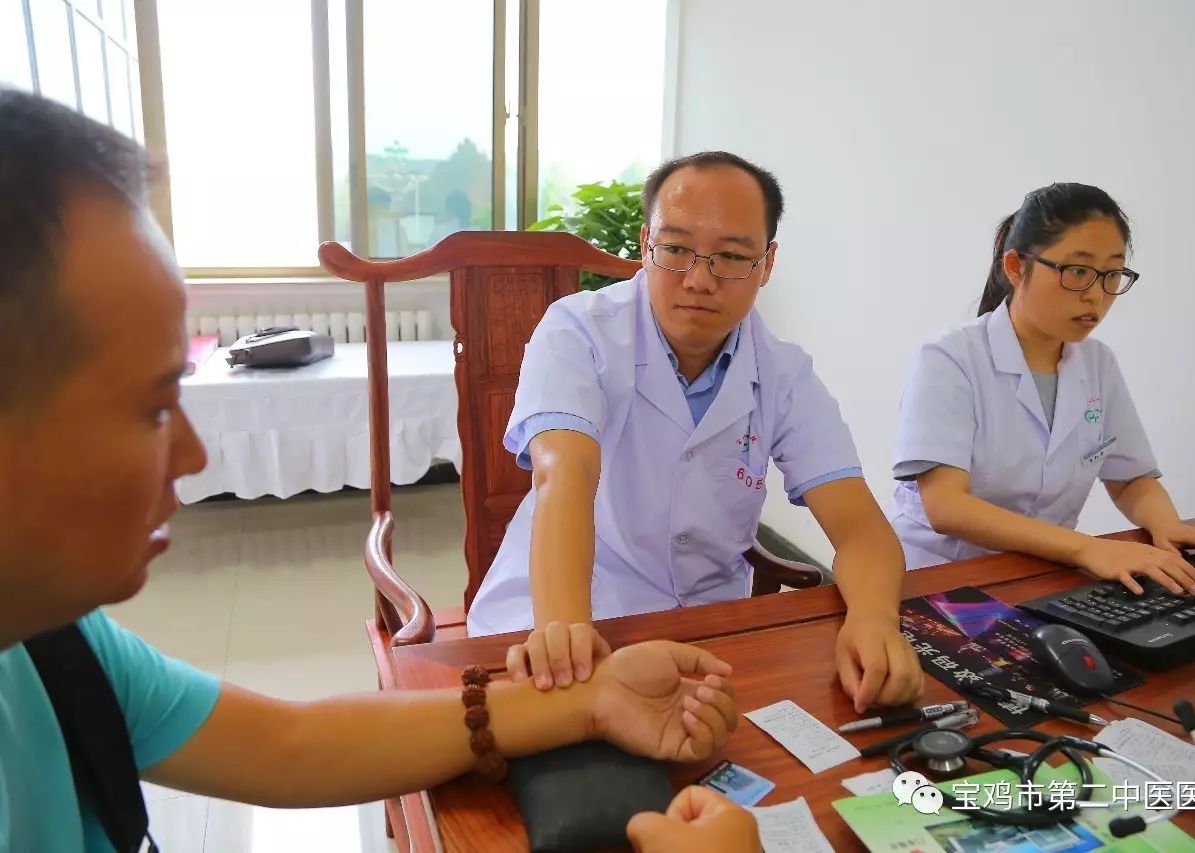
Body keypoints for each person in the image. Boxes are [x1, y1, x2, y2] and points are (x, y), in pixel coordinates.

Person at [0, 89, 748, 852]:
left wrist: (590, 701)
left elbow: (291, 742)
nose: (194, 455)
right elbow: (564, 477)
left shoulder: (51, 648)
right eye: (154, 406)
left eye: (730, 256)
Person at [467, 150, 924, 714]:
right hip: (570, 610)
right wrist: (566, 631)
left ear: (767, 263)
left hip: (706, 627)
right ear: (645, 243)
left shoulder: (783, 373)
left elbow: (860, 529)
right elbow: (565, 473)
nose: (700, 280)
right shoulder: (578, 331)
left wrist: (876, 622)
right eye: (677, 249)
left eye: (732, 257)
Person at [889, 182, 1195, 590]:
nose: (1097, 297)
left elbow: (1131, 478)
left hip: (1043, 573)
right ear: (1015, 268)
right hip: (940, 576)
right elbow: (947, 507)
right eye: (1078, 272)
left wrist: (1167, 525)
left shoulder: (1097, 363)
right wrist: (1088, 549)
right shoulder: (950, 358)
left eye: (1112, 274)